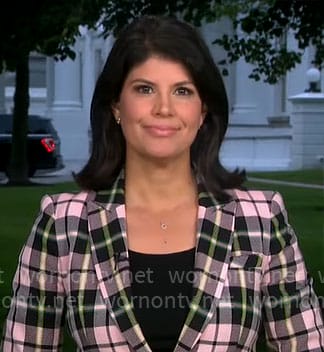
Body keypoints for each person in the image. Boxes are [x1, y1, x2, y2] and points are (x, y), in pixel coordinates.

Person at [2, 15, 324, 352]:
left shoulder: (261, 218)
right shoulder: (62, 223)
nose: (164, 108)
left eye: (183, 91)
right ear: (116, 105)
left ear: (202, 111)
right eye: (145, 89)